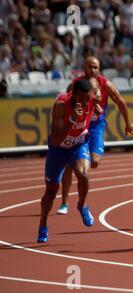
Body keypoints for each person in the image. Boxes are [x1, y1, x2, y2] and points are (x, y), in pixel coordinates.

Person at [57, 56, 133, 214]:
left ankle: (82, 163)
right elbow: (66, 103)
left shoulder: (105, 84)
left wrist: (128, 123)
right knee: (68, 165)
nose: (93, 70)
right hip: (77, 125)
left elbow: (120, 101)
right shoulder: (75, 85)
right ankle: (64, 203)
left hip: (95, 126)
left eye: (96, 67)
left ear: (99, 68)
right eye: (90, 67)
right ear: (84, 67)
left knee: (94, 162)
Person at [37, 78, 98, 243]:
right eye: (83, 98)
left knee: (83, 174)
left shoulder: (91, 100)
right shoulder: (60, 105)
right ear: (74, 95)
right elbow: (56, 139)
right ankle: (43, 224)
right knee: (51, 191)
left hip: (78, 145)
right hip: (58, 149)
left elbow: (101, 98)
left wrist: (97, 110)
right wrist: (71, 120)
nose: (86, 102)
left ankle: (82, 205)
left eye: (88, 98)